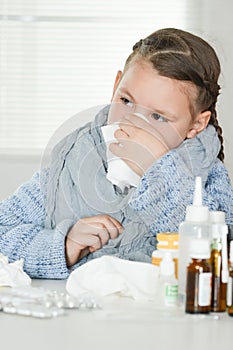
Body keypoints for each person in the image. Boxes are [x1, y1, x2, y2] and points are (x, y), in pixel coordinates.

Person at [0, 28, 233, 279]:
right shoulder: (72, 163)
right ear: (115, 86)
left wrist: (159, 170)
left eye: (158, 116)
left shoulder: (206, 173)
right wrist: (64, 245)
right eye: (126, 101)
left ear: (196, 124)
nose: (133, 122)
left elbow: (218, 256)